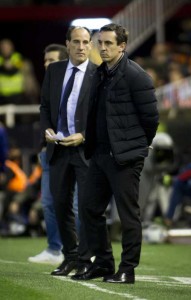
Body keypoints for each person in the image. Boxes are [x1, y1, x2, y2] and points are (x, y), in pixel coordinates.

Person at [71, 23, 159, 284]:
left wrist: (137, 145)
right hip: (99, 154)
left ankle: (127, 269)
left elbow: (151, 118)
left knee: (128, 215)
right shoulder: (100, 73)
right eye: (101, 43)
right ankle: (104, 263)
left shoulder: (136, 75)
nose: (103, 48)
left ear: (122, 46)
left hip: (125, 157)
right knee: (89, 209)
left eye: (109, 43)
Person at [40, 26, 97, 276]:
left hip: (86, 150)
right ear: (68, 44)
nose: (81, 46)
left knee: (86, 207)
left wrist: (84, 135)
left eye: (86, 42)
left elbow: (102, 116)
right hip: (58, 148)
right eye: (77, 42)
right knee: (60, 205)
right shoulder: (54, 70)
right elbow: (44, 107)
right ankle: (70, 257)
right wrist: (47, 129)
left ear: (90, 46)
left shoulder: (99, 74)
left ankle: (86, 258)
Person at [28, 44, 69, 264]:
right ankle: (55, 249)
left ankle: (80, 251)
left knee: (76, 205)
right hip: (50, 152)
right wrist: (41, 149)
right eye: (45, 61)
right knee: (48, 203)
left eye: (51, 60)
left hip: (73, 151)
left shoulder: (77, 84)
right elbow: (43, 118)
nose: (46, 65)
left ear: (64, 62)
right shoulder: (47, 85)